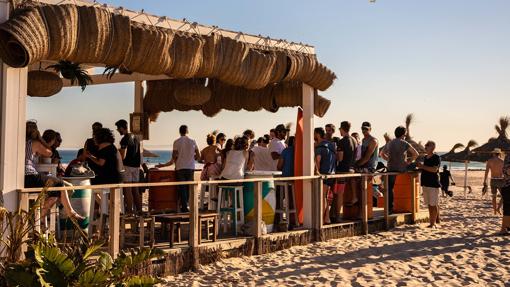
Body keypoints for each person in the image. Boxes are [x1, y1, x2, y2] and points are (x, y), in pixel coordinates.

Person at [24, 121, 84, 222]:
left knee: (56, 190)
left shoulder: (19, 142)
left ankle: (40, 219)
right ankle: (41, 218)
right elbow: (50, 153)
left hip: (22, 178)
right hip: (30, 176)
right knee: (59, 183)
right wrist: (40, 138)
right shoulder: (35, 143)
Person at [156, 125, 200, 212]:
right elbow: (199, 156)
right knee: (189, 188)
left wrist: (164, 165)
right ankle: (186, 206)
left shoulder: (176, 142)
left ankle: (183, 207)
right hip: (190, 168)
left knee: (182, 188)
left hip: (180, 168)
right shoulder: (193, 141)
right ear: (187, 131)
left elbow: (174, 158)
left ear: (180, 132)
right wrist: (191, 157)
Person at [381, 126, 419, 214]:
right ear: (403, 134)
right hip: (402, 168)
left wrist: (388, 159)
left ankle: (389, 208)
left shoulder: (390, 143)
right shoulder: (404, 143)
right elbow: (416, 154)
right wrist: (409, 161)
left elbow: (382, 154)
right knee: (416, 165)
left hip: (391, 168)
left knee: (390, 188)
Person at [115, 119, 142, 214]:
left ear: (122, 128)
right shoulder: (136, 138)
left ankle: (129, 211)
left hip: (127, 166)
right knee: (135, 190)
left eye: (118, 129)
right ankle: (139, 210)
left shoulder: (125, 139)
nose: (118, 131)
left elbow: (123, 156)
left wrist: (117, 153)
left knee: (128, 190)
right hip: (136, 166)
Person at [333, 121, 357, 222]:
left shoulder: (342, 141)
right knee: (339, 193)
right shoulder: (354, 140)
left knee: (339, 193)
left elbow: (340, 158)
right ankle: (333, 214)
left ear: (341, 129)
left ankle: (338, 216)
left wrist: (334, 154)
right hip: (351, 169)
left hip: (342, 170)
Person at [314, 127, 336, 225]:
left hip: (323, 174)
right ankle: (327, 218)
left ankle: (322, 219)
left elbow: (318, 161)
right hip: (332, 174)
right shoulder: (331, 145)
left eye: (314, 134)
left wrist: (316, 172)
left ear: (318, 134)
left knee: (322, 197)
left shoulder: (320, 148)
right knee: (326, 198)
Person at [417, 141, 441, 228]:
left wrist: (422, 166)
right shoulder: (426, 157)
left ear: (433, 147)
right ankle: (432, 222)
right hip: (425, 184)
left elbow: (434, 169)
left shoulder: (436, 157)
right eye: (425, 145)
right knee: (429, 204)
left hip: (433, 184)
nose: (425, 146)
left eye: (427, 145)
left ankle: (433, 223)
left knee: (433, 204)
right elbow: (426, 169)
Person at [483, 148, 505, 215]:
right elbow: (505, 172)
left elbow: (486, 171)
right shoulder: (502, 161)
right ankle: (498, 208)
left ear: (494, 153)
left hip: (493, 180)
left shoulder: (489, 161)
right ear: (499, 154)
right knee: (504, 196)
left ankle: (495, 211)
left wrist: (484, 180)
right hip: (501, 180)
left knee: (494, 196)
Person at [499, 152, 510, 235]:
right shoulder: (508, 167)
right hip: (508, 188)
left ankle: (505, 228)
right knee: (507, 210)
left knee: (507, 210)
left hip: (506, 188)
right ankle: (503, 229)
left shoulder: (505, 166)